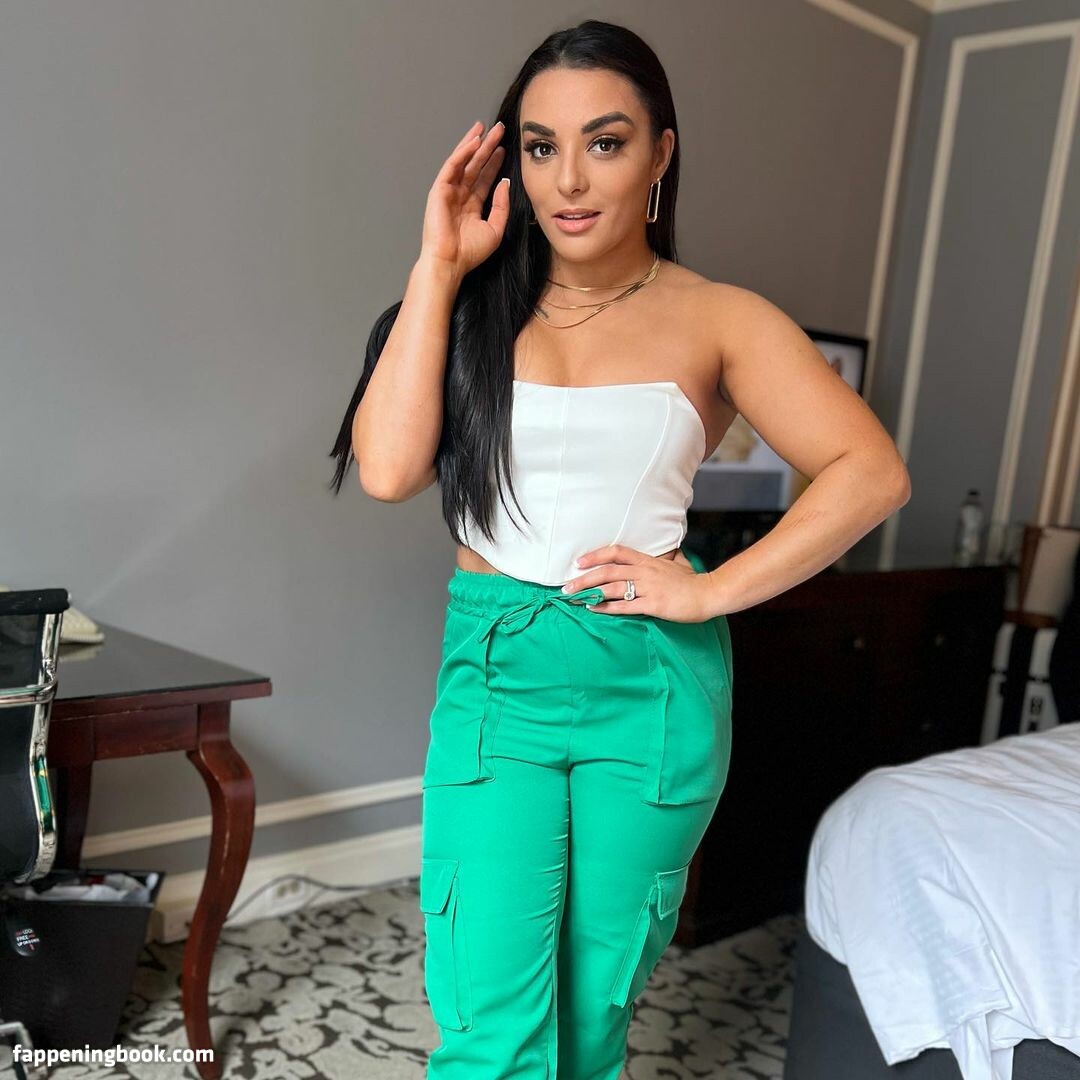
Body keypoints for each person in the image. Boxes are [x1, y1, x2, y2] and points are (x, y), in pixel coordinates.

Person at [329, 19, 911, 1079]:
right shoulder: (465, 307)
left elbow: (870, 472)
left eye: (604, 142)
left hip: (648, 685)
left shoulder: (719, 317)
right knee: (488, 1026)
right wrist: (439, 264)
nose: (568, 179)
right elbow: (388, 470)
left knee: (593, 1019)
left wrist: (711, 591)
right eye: (540, 146)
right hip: (498, 673)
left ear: (660, 154)